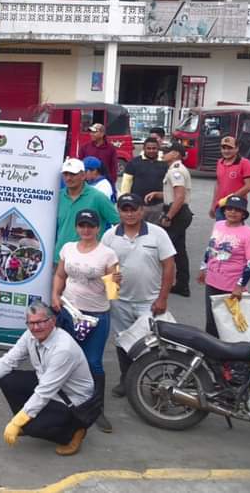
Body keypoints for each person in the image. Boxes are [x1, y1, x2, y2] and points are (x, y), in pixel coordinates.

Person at [0, 302, 96, 456]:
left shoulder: (64, 349)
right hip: (48, 383)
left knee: (32, 427)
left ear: (52, 321)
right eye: (31, 323)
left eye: (40, 322)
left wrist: (17, 422)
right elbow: (9, 360)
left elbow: (44, 392)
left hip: (71, 399)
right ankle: (30, 421)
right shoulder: (30, 335)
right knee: (7, 380)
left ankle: (73, 432)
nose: (35, 327)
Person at [101, 194, 175, 397]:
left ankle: (156, 384)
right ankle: (127, 380)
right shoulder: (109, 236)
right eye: (125, 210)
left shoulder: (158, 234)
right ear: (119, 211)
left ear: (142, 211)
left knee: (153, 344)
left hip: (150, 302)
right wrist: (110, 289)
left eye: (133, 209)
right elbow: (104, 266)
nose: (130, 214)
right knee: (123, 342)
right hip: (120, 302)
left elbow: (169, 266)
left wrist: (163, 298)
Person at [52, 209, 120, 433]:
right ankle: (64, 400)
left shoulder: (108, 254)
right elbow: (60, 275)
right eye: (82, 225)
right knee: (65, 357)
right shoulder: (68, 248)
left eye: (91, 226)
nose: (86, 230)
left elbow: (113, 292)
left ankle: (97, 409)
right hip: (69, 312)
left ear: (98, 228)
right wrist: (55, 295)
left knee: (93, 362)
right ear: (76, 227)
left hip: (95, 316)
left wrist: (116, 282)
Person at [199, 195, 250, 337]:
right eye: (229, 209)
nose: (232, 212)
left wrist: (239, 286)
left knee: (231, 325)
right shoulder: (218, 225)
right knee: (211, 322)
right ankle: (211, 349)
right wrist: (203, 268)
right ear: (224, 211)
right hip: (212, 281)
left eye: (237, 210)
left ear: (243, 214)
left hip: (231, 287)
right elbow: (210, 249)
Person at [145, 142, 193, 296]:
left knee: (164, 249)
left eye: (167, 151)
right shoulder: (175, 169)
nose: (163, 153)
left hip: (176, 213)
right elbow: (173, 194)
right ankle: (182, 285)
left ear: (176, 154)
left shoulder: (175, 171)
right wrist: (157, 194)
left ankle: (160, 283)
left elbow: (179, 197)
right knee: (179, 250)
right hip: (179, 211)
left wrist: (168, 216)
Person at [55, 158, 119, 262]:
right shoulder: (58, 197)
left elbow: (117, 223)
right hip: (60, 258)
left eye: (73, 174)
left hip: (90, 260)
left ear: (83, 175)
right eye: (65, 174)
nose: (68, 178)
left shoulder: (98, 197)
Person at [118, 137, 167, 221]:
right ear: (144, 148)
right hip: (138, 206)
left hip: (159, 206)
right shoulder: (133, 163)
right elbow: (126, 184)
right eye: (149, 148)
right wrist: (124, 201)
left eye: (154, 148)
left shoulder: (164, 164)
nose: (151, 151)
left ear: (158, 148)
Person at [211, 136, 250, 221]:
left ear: (237, 148)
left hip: (236, 206)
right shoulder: (220, 162)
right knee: (221, 228)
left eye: (230, 148)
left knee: (235, 228)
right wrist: (213, 204)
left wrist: (229, 199)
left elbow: (249, 186)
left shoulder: (245, 163)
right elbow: (218, 184)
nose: (226, 151)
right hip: (221, 205)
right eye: (224, 148)